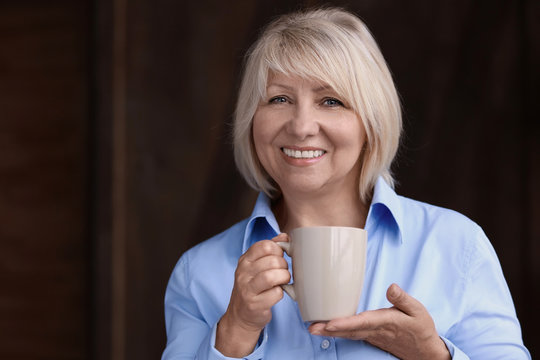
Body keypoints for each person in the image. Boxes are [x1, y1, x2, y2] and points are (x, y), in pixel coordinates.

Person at [162, 7, 530, 360]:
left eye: (331, 101)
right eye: (279, 99)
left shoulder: (456, 246)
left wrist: (433, 355)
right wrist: (235, 331)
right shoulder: (199, 273)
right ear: (251, 120)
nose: (301, 126)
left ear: (370, 122)